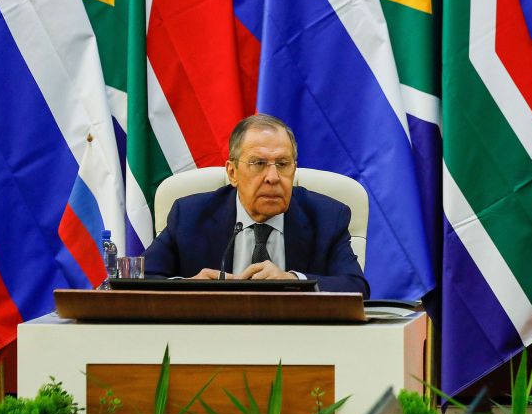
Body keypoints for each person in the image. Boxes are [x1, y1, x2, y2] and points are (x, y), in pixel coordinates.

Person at [144, 114, 370, 295]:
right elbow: (139, 280)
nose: (272, 177)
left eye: (282, 164)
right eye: (258, 163)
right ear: (233, 173)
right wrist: (189, 287)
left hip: (296, 342)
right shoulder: (190, 215)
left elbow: (355, 287)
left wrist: (293, 281)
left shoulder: (327, 217)